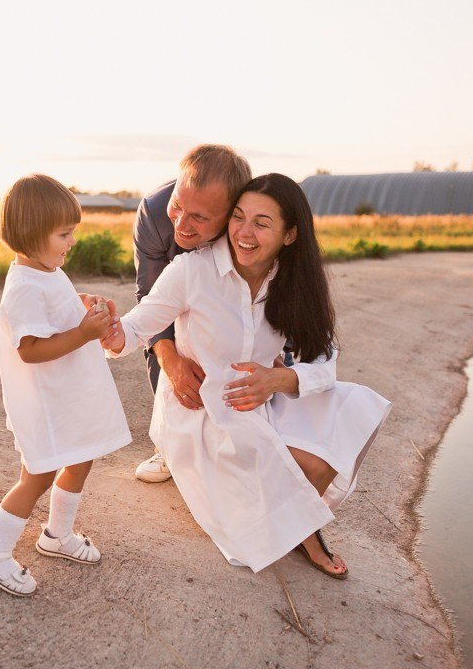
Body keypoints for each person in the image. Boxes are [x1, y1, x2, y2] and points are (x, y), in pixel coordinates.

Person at [106, 174, 390, 576]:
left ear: (289, 235)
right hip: (202, 410)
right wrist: (107, 328)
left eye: (261, 222)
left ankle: (298, 523)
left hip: (264, 399)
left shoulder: (293, 282)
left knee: (348, 410)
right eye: (238, 217)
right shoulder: (192, 271)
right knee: (255, 510)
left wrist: (279, 380)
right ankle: (304, 530)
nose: (244, 231)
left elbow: (325, 358)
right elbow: (135, 328)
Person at [0, 174, 131, 596]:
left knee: (81, 457)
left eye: (72, 232)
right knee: (37, 476)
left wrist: (81, 306)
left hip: (67, 397)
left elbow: (56, 306)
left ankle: (57, 534)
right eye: (64, 234)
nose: (72, 241)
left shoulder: (46, 269)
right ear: (31, 234)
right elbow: (31, 349)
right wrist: (83, 333)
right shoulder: (22, 286)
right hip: (45, 403)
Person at [131, 145, 251, 483]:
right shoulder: (154, 212)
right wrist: (170, 361)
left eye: (199, 217)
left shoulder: (249, 222)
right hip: (174, 292)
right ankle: (169, 444)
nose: (182, 224)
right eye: (178, 207)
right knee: (169, 346)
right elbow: (149, 299)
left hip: (231, 297)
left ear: (232, 215)